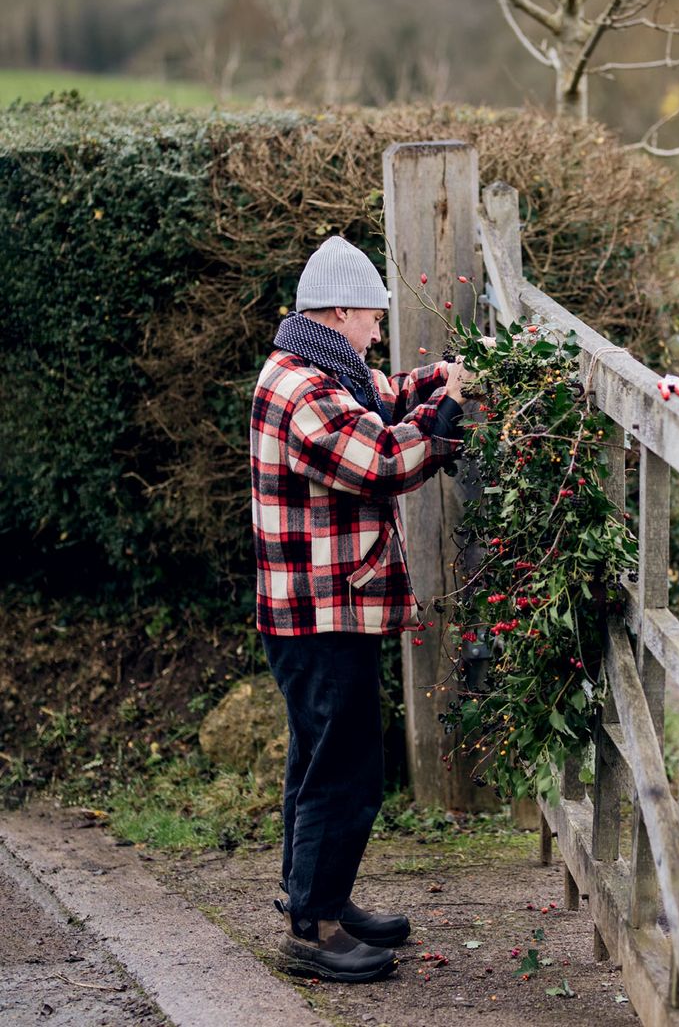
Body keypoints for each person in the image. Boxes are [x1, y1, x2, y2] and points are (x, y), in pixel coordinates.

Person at [251, 234, 468, 983]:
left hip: (324, 608)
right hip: (318, 614)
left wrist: (446, 378)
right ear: (340, 312)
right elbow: (377, 460)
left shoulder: (323, 369)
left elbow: (385, 397)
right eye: (374, 318)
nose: (378, 333)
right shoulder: (300, 389)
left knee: (321, 760)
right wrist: (445, 421)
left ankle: (318, 901)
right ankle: (313, 931)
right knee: (344, 770)